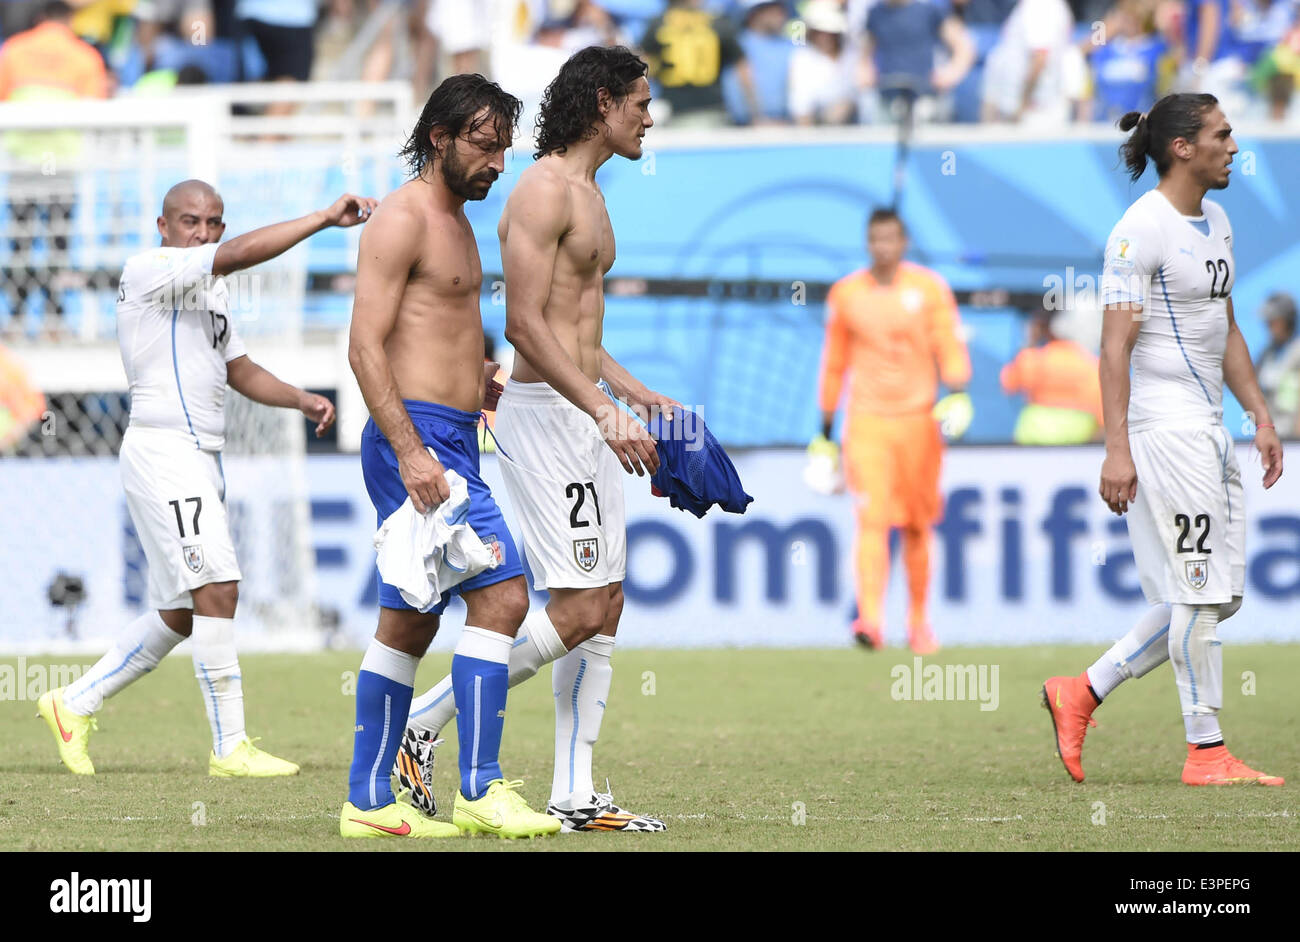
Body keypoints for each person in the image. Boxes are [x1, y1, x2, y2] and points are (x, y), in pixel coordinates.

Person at [396, 46, 676, 834]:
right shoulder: (544, 190)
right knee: (582, 605)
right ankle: (425, 721)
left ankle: (576, 793)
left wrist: (632, 392)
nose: (648, 118)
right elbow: (524, 326)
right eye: (639, 104)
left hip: (582, 410)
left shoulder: (589, 190)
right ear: (600, 104)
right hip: (547, 417)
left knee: (607, 600)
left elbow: (573, 321)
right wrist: (600, 409)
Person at [36, 179, 354, 777]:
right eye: (189, 221)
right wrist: (321, 218)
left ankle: (71, 702)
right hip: (163, 451)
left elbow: (238, 367)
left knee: (182, 611)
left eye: (213, 223)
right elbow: (233, 257)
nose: (202, 233)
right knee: (219, 588)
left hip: (202, 457)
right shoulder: (149, 269)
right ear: (163, 227)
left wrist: (301, 399)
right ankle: (230, 747)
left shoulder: (213, 294)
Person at [1042, 93, 1285, 787]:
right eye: (1222, 134)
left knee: (1216, 595)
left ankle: (1082, 690)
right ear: (1182, 146)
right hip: (1163, 431)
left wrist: (1259, 416)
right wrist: (1116, 448)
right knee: (1201, 593)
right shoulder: (1137, 231)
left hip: (1207, 428)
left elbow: (1227, 329)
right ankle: (1205, 751)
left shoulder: (1218, 221)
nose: (1234, 146)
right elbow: (1113, 348)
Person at [342, 74, 560, 841]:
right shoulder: (403, 219)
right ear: (439, 135)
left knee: (409, 622)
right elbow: (364, 346)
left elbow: (454, 344)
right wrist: (409, 451)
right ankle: (479, 788)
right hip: (417, 439)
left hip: (452, 433)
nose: (497, 162)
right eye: (484, 143)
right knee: (503, 596)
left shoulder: (458, 220)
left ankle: (368, 803)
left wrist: (502, 403)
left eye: (504, 147)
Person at [815, 208, 970, 654]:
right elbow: (834, 363)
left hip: (919, 420)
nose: (883, 247)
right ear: (868, 243)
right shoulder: (847, 294)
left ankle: (919, 623)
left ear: (902, 242)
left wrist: (957, 391)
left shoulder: (928, 289)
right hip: (865, 421)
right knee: (872, 517)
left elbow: (948, 343)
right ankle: (870, 620)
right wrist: (824, 429)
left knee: (919, 524)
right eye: (875, 239)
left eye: (891, 239)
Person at [0, 1, 109, 331]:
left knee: (20, 241)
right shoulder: (85, 56)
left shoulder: (14, 50)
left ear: (39, 18)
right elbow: (97, 111)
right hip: (62, 161)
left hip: (22, 159)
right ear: (71, 19)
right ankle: (55, 320)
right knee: (58, 244)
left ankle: (16, 320)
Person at [640, 0, 760, 127]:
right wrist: (756, 113)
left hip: (675, 110)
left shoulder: (658, 23)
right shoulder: (719, 22)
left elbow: (642, 70)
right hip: (711, 109)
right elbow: (743, 69)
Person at [1000, 308, 1104, 444]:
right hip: (1078, 437)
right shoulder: (1091, 365)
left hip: (1035, 435)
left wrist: (1029, 342)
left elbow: (1008, 383)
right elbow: (1103, 416)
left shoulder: (1034, 359)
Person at [1253, 291, 1300, 437]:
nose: (1268, 326)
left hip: (1294, 436)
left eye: (1273, 321)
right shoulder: (1267, 354)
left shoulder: (1297, 352)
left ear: (1287, 321)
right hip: (1273, 433)